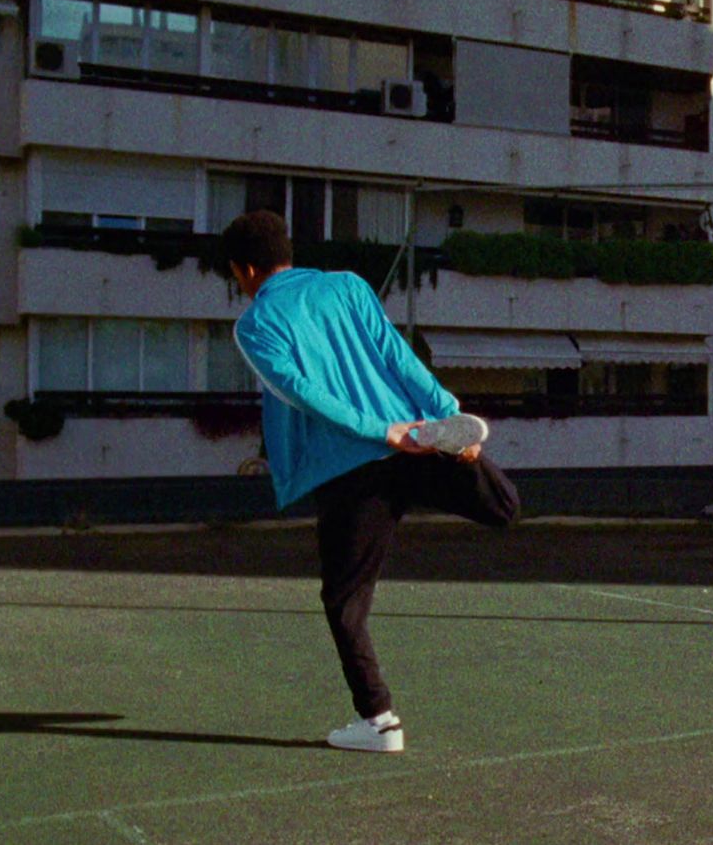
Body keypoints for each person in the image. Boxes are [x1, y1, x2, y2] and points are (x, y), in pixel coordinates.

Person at [222, 210, 520, 753]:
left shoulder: (255, 325)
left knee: (345, 600)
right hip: (416, 438)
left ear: (243, 270)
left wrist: (380, 432)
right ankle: (471, 460)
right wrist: (445, 410)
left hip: (355, 467)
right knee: (502, 508)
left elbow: (300, 393)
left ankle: (379, 722)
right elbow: (396, 356)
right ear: (288, 252)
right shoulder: (348, 285)